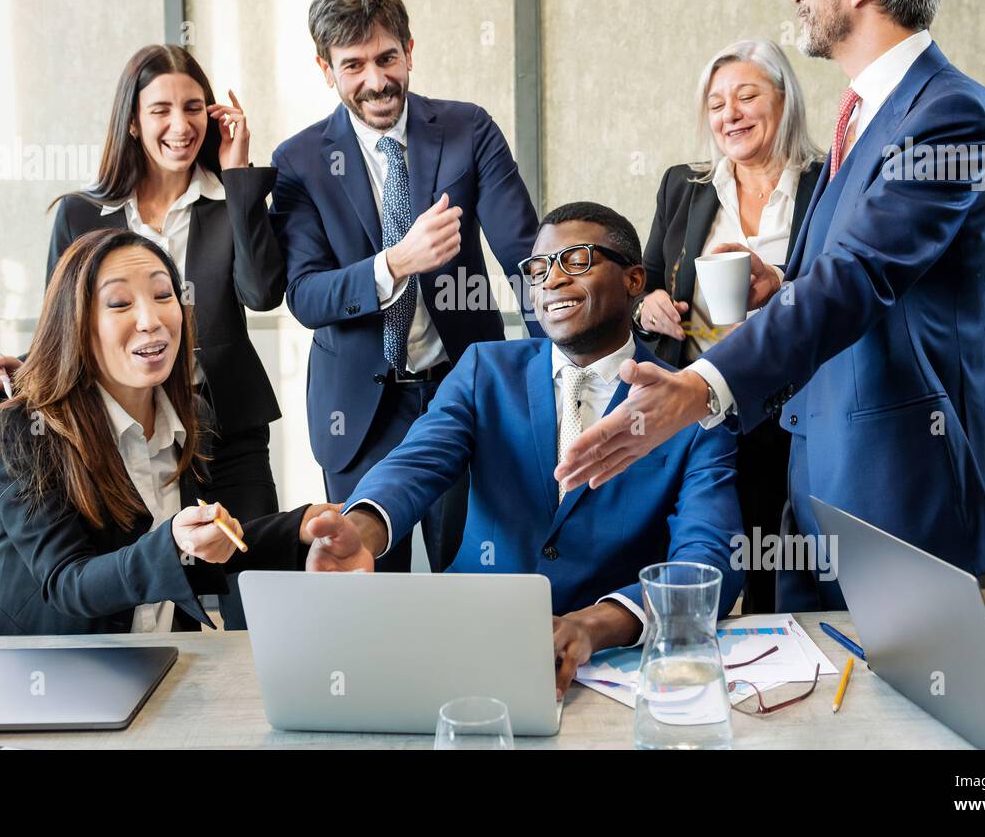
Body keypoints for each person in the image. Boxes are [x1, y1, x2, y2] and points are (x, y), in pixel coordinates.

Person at [556, 0, 985, 611]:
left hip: (894, 486)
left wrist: (703, 385)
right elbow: (837, 275)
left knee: (894, 720)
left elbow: (860, 275)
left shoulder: (947, 115)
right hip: (821, 470)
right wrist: (783, 281)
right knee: (816, 704)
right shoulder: (864, 114)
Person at [306, 203, 744, 697]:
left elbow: (710, 563)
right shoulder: (484, 371)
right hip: (467, 645)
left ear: (634, 280)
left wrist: (598, 624)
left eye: (576, 261)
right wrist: (361, 531)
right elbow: (417, 462)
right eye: (538, 270)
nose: (551, 282)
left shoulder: (691, 406)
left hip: (612, 669)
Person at [0, 44, 286, 629]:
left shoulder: (227, 199)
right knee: (145, 561)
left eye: (194, 108)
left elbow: (262, 292)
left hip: (219, 420)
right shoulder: (82, 213)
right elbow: (62, 327)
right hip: (121, 421)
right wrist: (11, 368)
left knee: (246, 571)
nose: (180, 124)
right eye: (161, 109)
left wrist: (240, 175)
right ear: (133, 121)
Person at [0, 229, 366, 636]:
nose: (151, 320)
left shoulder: (193, 414)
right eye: (120, 303)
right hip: (43, 670)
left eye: (163, 296)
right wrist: (172, 543)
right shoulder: (24, 431)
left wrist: (299, 528)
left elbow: (207, 548)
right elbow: (68, 584)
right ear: (77, 324)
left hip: (156, 660)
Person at [272, 0, 540, 573]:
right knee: (362, 583)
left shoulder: (469, 130)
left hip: (461, 391)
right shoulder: (300, 161)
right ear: (326, 70)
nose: (376, 81)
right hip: (358, 413)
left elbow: (525, 255)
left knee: (468, 574)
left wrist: (562, 370)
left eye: (387, 58)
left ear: (410, 51)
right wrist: (395, 263)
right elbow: (307, 295)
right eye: (354, 65)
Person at [638, 38, 822, 612]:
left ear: (784, 101)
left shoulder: (824, 183)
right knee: (700, 551)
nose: (730, 115)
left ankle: (776, 667)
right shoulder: (683, 185)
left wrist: (783, 287)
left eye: (746, 97)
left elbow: (844, 287)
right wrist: (651, 306)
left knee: (777, 559)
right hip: (699, 406)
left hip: (792, 407)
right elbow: (643, 280)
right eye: (717, 104)